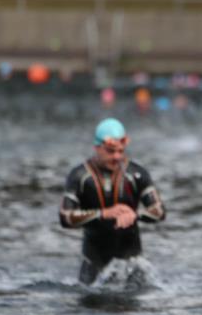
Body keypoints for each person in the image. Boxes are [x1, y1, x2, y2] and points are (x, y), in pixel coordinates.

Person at [59, 118, 166, 284]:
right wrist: (104, 214)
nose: (117, 157)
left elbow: (159, 212)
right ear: (97, 147)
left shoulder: (136, 174)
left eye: (121, 151)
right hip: (94, 267)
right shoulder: (80, 176)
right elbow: (65, 217)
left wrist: (134, 215)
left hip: (132, 266)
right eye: (110, 151)